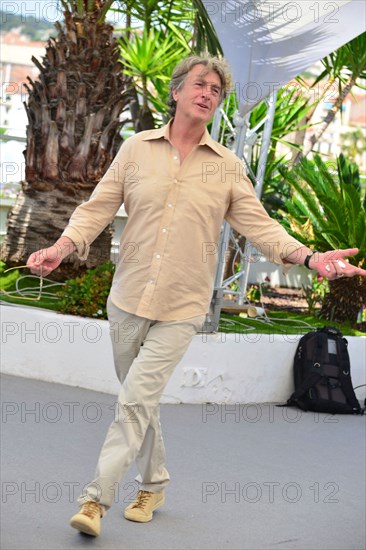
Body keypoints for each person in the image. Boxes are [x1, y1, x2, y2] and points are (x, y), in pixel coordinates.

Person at [27, 55, 366, 537]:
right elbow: (97, 206)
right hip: (127, 298)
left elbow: (259, 226)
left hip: (182, 307)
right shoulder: (137, 150)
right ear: (178, 91)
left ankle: (95, 500)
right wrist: (62, 247)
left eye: (216, 90)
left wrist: (311, 259)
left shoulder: (226, 167)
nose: (208, 93)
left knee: (133, 402)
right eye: (200, 84)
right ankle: (155, 482)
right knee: (138, 401)